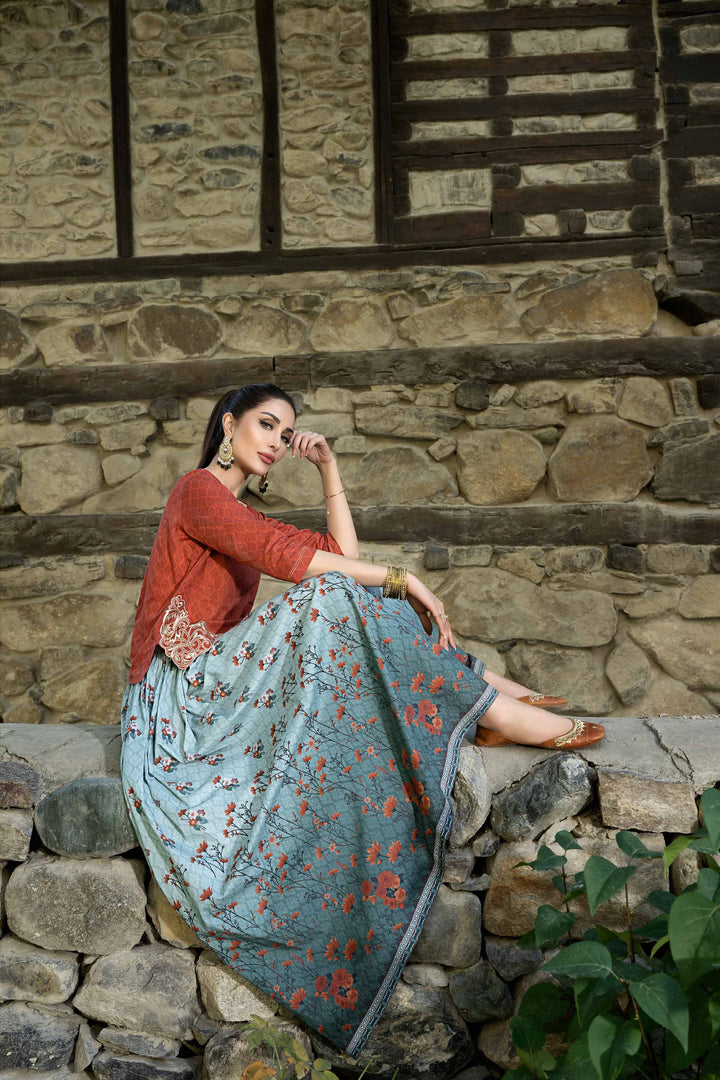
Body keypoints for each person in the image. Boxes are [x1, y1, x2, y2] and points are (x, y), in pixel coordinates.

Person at [120, 384, 604, 1055]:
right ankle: (481, 696)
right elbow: (294, 562)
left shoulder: (240, 509)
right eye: (265, 424)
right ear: (227, 425)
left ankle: (476, 693)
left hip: (225, 680)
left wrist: (329, 470)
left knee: (336, 591)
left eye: (285, 433)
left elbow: (341, 561)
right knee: (324, 596)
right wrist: (406, 578)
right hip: (183, 698)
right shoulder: (195, 492)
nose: (276, 442)